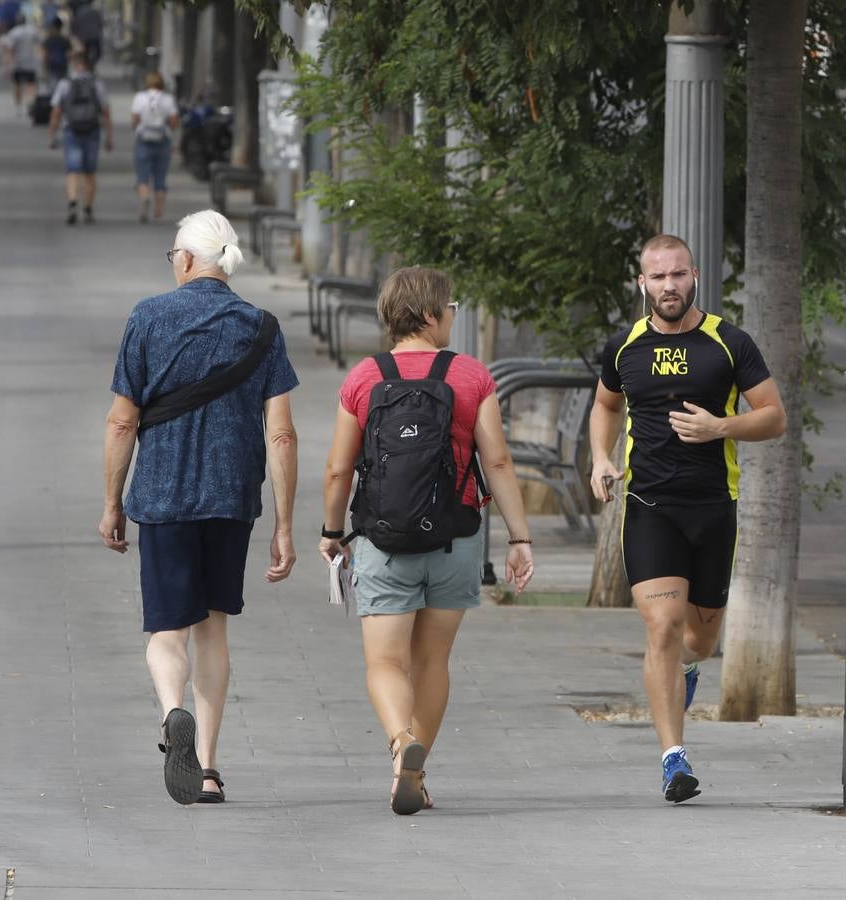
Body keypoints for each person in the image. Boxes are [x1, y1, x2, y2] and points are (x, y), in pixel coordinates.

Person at [318, 267, 535, 816]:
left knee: (386, 663)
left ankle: (398, 747)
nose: (455, 315)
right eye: (452, 306)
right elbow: (499, 461)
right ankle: (414, 769)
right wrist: (519, 537)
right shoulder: (471, 377)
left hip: (382, 542)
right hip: (455, 539)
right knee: (433, 660)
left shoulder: (364, 378)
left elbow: (339, 470)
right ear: (432, 314)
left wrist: (330, 531)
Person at [99, 209, 299, 806]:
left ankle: (172, 714)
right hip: (230, 498)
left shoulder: (148, 317)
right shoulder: (261, 327)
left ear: (185, 259)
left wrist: (112, 500)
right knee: (214, 630)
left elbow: (121, 420)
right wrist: (285, 525)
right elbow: (282, 433)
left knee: (166, 632)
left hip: (162, 497)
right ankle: (208, 767)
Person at [588, 234, 786, 804]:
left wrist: (720, 427)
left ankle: (688, 673)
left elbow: (774, 417)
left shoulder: (729, 342)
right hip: (650, 507)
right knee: (662, 630)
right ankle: (674, 760)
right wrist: (602, 458)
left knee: (699, 637)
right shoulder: (624, 346)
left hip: (713, 510)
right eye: (658, 277)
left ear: (693, 275)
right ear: (641, 283)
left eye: (678, 275)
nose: (669, 286)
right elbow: (606, 403)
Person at [48, 52, 113, 225]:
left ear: (74, 65)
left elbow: (56, 110)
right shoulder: (97, 84)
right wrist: (109, 135)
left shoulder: (64, 84)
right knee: (90, 173)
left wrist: (52, 133)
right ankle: (89, 208)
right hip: (92, 130)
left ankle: (72, 202)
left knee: (73, 171)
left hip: (71, 130)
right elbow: (105, 110)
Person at [131, 72, 178, 223]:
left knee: (143, 175)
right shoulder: (168, 99)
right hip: (162, 140)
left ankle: (144, 199)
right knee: (160, 176)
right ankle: (159, 212)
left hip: (143, 139)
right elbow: (173, 120)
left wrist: (138, 128)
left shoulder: (140, 97)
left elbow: (135, 119)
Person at [1, 13, 41, 114]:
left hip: (17, 63)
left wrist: (8, 64)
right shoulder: (32, 30)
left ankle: (18, 106)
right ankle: (30, 102)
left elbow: (9, 48)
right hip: (30, 62)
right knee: (31, 84)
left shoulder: (14, 32)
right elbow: (39, 42)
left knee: (17, 85)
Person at [71, 1, 103, 66]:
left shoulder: (80, 12)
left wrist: (76, 35)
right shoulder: (95, 12)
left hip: (84, 37)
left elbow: (75, 25)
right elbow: (100, 24)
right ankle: (91, 65)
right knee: (98, 53)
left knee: (85, 53)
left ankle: (88, 65)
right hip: (95, 36)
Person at [41, 19, 71, 86]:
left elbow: (45, 55)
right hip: (63, 65)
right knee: (63, 88)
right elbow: (69, 54)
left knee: (53, 90)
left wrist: (44, 70)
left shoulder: (49, 39)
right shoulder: (64, 39)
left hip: (52, 65)